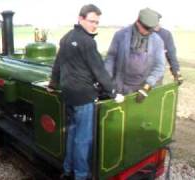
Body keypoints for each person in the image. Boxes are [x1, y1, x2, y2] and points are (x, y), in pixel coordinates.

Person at [47, 4, 123, 180]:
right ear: (80, 19)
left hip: (68, 94)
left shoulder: (66, 38)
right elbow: (99, 70)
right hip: (83, 97)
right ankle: (80, 175)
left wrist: (53, 83)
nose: (94, 25)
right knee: (83, 138)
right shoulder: (88, 41)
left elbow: (58, 64)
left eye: (97, 22)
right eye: (92, 21)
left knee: (72, 133)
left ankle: (67, 169)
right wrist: (113, 92)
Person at [105, 8, 165, 103]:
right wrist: (108, 83)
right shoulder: (120, 35)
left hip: (142, 89)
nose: (148, 32)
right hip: (120, 88)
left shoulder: (157, 41)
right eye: (146, 28)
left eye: (151, 29)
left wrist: (147, 87)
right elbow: (111, 58)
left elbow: (159, 67)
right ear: (138, 21)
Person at [154, 14, 183, 85]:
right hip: (136, 74)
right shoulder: (140, 33)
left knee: (155, 93)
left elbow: (171, 55)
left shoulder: (165, 34)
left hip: (156, 73)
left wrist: (177, 73)